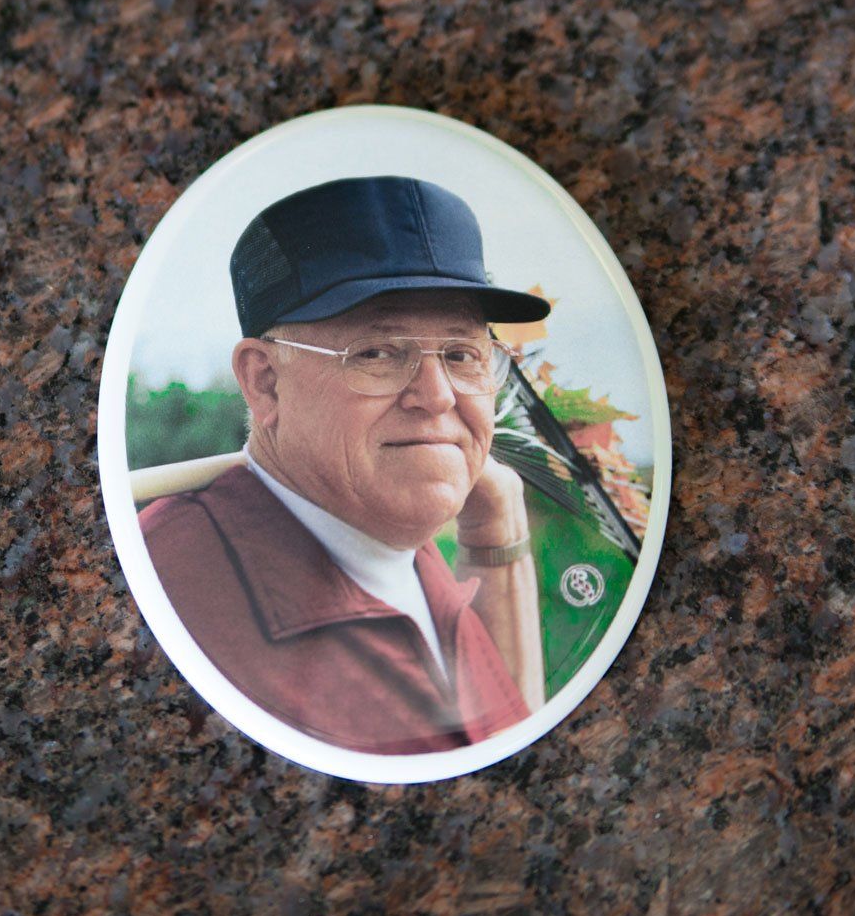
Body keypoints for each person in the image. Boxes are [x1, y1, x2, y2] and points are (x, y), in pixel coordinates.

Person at [138, 176, 553, 755]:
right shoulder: (166, 589)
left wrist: (498, 524)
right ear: (266, 382)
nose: (437, 396)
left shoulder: (407, 559)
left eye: (462, 355)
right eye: (378, 353)